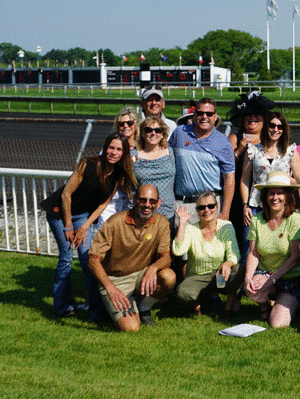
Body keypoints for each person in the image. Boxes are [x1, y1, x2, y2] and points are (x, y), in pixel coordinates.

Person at [46, 133, 137, 321]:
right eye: (111, 148)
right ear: (105, 148)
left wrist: (85, 226)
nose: (114, 152)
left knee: (88, 259)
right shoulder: (87, 165)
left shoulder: (118, 173)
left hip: (82, 215)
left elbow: (104, 204)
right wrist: (68, 226)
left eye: (119, 149)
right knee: (66, 258)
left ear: (124, 153)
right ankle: (63, 307)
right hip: (60, 212)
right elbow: (66, 195)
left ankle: (95, 312)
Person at [86, 184, 176, 331]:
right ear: (134, 200)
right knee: (131, 328)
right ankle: (110, 304)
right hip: (116, 280)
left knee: (168, 277)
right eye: (143, 200)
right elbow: (93, 260)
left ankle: (143, 307)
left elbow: (166, 257)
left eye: (152, 201)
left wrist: (153, 268)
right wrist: (110, 288)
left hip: (142, 275)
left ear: (158, 203)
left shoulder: (162, 222)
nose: (147, 205)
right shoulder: (115, 222)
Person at [242, 171, 300, 328]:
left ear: (287, 197)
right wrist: (248, 279)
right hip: (267, 273)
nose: (275, 197)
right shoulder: (257, 220)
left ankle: (297, 303)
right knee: (251, 289)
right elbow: (253, 252)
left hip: (292, 277)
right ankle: (265, 306)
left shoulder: (294, 219)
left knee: (277, 324)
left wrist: (271, 280)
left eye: (279, 193)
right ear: (265, 196)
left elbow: (295, 257)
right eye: (271, 193)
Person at [170, 191, 239, 314]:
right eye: (202, 207)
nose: (207, 210)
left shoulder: (226, 226)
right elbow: (178, 251)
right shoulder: (191, 229)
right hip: (197, 277)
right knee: (182, 294)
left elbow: (234, 254)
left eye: (211, 206)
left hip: (220, 275)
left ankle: (228, 308)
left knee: (239, 269)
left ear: (216, 207)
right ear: (197, 210)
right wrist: (182, 223)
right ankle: (197, 306)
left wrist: (228, 263)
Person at [170, 97, 236, 223]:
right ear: (194, 115)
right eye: (200, 113)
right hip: (183, 205)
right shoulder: (179, 133)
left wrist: (225, 212)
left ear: (215, 116)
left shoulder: (223, 142)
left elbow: (229, 179)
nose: (204, 116)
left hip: (211, 206)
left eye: (209, 113)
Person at [240, 110, 300, 222]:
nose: (275, 129)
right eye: (272, 125)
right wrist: (245, 205)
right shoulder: (253, 150)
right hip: (256, 204)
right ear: (266, 126)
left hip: (282, 204)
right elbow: (245, 180)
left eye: (280, 127)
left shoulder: (290, 151)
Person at [226, 91, 271, 257]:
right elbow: (225, 166)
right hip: (237, 197)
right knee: (238, 239)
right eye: (248, 115)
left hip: (261, 197)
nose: (253, 118)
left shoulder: (268, 140)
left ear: (264, 119)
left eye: (257, 115)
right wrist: (239, 150)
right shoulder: (234, 138)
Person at [132, 115, 177, 232]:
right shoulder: (134, 155)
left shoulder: (170, 153)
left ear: (163, 134)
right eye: (148, 130)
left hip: (167, 214)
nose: (153, 133)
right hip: (142, 213)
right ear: (142, 133)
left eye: (158, 130)